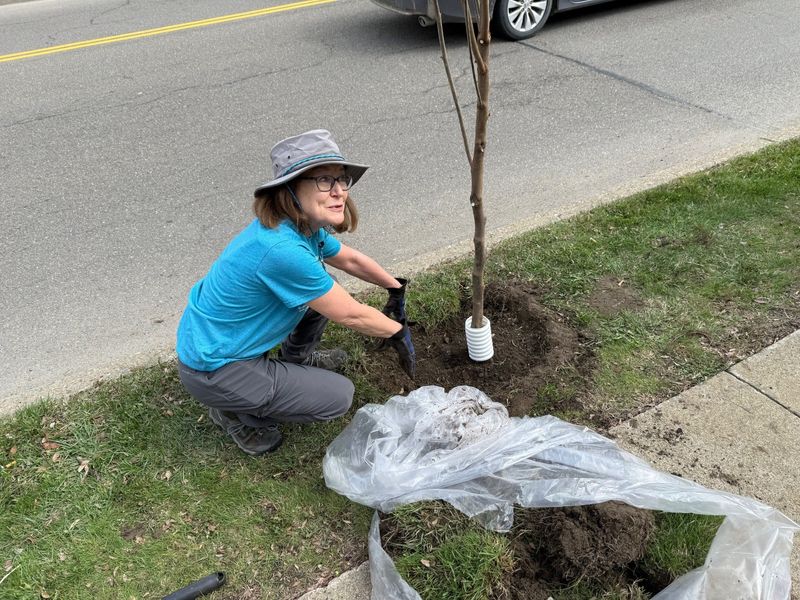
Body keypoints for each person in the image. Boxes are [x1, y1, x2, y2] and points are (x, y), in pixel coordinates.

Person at [175, 129, 415, 456]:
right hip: (214, 367)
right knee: (337, 397)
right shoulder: (279, 249)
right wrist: (397, 333)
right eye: (323, 180)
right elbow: (350, 313)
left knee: (323, 288)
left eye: (342, 180)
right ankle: (236, 412)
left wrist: (394, 286)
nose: (338, 191)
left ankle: (295, 364)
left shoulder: (300, 229)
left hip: (225, 341)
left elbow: (349, 259)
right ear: (290, 189)